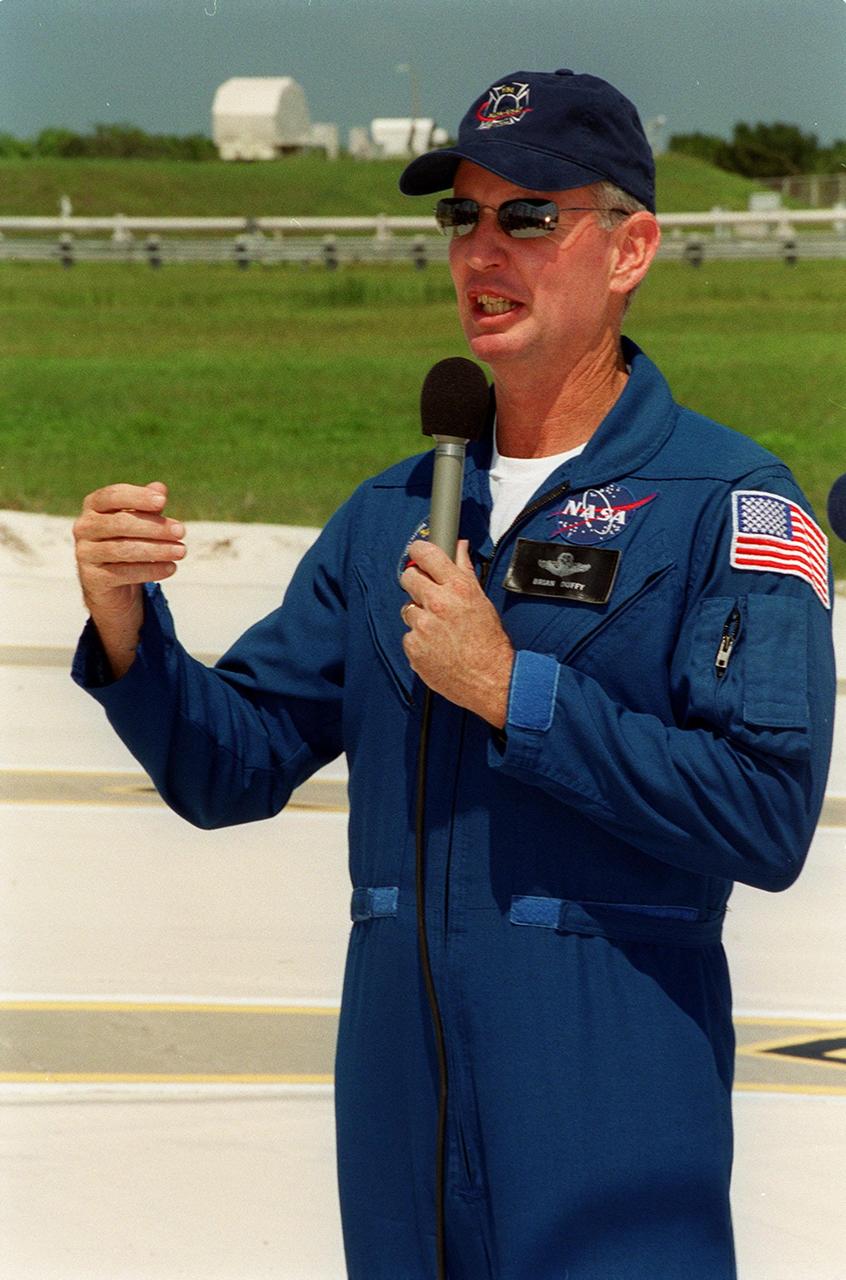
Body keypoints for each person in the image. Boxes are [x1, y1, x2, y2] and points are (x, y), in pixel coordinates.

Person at [72, 68, 835, 1280]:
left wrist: (513, 690)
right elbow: (232, 763)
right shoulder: (390, 516)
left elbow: (766, 810)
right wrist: (127, 626)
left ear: (630, 246)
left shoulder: (731, 505)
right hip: (399, 1131)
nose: (485, 248)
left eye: (529, 215)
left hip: (611, 1117)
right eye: (462, 217)